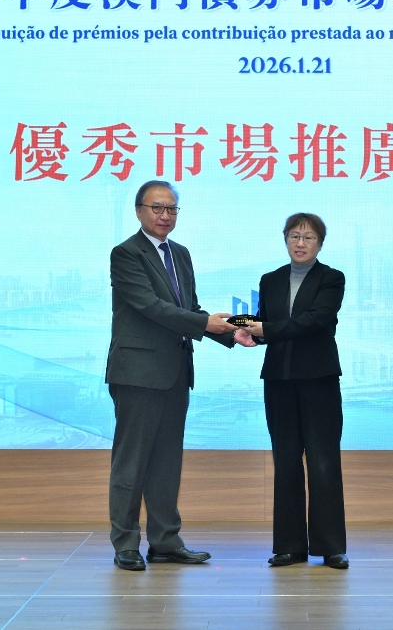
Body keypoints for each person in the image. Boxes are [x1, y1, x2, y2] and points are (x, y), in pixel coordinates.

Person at [106, 180, 236, 571]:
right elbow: (151, 306)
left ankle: (164, 541)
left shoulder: (180, 254)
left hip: (176, 371)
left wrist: (236, 329)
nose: (165, 215)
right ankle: (126, 544)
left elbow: (190, 309)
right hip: (138, 373)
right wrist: (207, 324)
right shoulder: (126, 254)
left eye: (171, 209)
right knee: (132, 462)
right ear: (139, 211)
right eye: (157, 208)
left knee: (166, 462)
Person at [233, 213, 348, 569]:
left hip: (318, 379)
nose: (300, 243)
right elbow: (263, 320)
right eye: (294, 236)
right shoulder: (270, 279)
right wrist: (235, 325)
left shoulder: (332, 279)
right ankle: (289, 546)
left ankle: (331, 547)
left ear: (320, 243)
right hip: (279, 380)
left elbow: (314, 320)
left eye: (308, 237)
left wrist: (265, 329)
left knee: (323, 461)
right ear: (285, 240)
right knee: (285, 461)